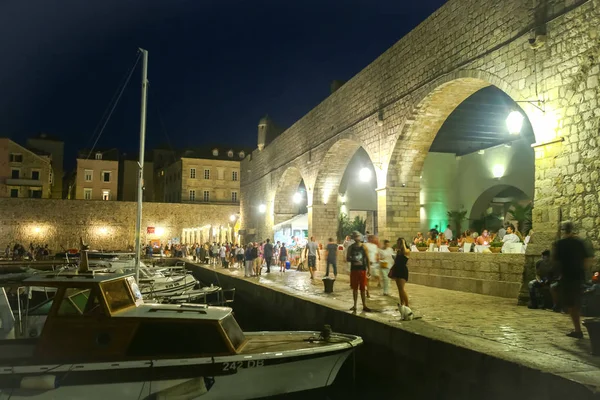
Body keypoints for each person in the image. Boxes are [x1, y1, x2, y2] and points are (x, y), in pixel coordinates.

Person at [553, 222, 593, 338]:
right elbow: (587, 259)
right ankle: (577, 328)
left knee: (571, 304)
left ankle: (578, 330)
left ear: (563, 231)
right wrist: (582, 270)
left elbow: (555, 261)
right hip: (578, 276)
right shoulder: (579, 243)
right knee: (576, 302)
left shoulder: (560, 244)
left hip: (567, 277)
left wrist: (558, 273)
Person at [346, 231, 371, 312]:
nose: (356, 237)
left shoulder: (364, 247)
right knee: (355, 288)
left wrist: (369, 269)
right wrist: (354, 259)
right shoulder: (351, 247)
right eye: (355, 236)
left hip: (362, 269)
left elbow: (367, 258)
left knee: (363, 288)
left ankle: (364, 305)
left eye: (357, 236)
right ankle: (355, 305)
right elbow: (347, 258)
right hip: (354, 270)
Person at [389, 237, 410, 307]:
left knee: (402, 289)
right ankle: (402, 304)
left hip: (402, 271)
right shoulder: (398, 251)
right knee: (399, 289)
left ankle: (407, 305)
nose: (397, 244)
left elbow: (405, 252)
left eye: (399, 243)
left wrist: (403, 243)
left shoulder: (407, 250)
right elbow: (396, 261)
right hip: (397, 270)